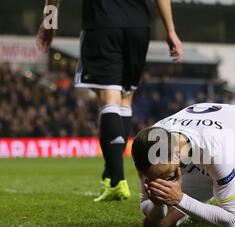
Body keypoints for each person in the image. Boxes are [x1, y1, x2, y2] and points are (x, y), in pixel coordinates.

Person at [36, 0, 183, 202]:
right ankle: (110, 175)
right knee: (125, 99)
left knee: (109, 99)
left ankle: (116, 180)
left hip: (103, 23)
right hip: (138, 26)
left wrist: (49, 22)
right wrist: (170, 30)